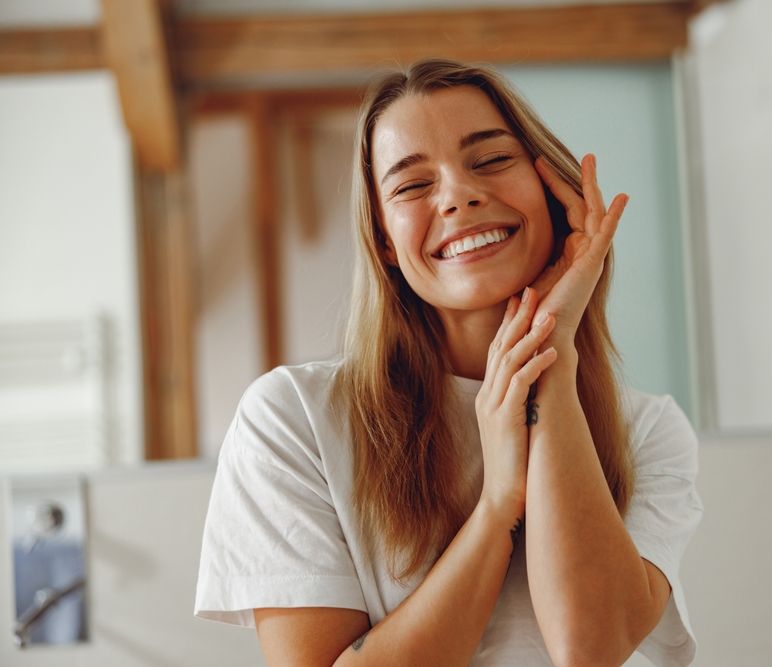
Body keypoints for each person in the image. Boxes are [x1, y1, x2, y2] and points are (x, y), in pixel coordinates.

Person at [194, 58, 703, 667]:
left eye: (489, 160)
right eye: (411, 185)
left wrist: (552, 366)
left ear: (552, 191)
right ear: (384, 238)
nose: (459, 195)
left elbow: (589, 649)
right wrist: (497, 508)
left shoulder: (648, 433)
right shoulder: (292, 419)